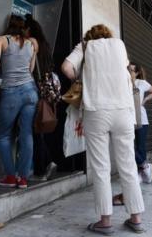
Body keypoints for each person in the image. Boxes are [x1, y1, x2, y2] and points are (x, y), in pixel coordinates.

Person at [61, 24, 145, 234]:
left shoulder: (85, 46)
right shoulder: (119, 45)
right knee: (128, 165)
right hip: (123, 111)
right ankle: (136, 218)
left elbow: (66, 68)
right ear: (108, 35)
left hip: (96, 110)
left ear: (90, 36)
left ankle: (105, 221)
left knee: (100, 167)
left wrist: (80, 78)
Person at [0, 15, 39, 189]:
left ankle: (11, 177)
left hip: (11, 92)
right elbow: (31, 69)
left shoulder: (2, 40)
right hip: (30, 91)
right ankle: (23, 178)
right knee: (26, 134)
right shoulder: (31, 43)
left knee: (3, 135)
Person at [24, 14, 59, 182]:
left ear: (29, 30)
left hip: (35, 88)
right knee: (39, 129)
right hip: (46, 90)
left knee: (35, 130)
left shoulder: (31, 43)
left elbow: (29, 67)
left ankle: (42, 166)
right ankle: (45, 163)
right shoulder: (45, 44)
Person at [128, 62, 152, 183]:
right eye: (127, 70)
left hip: (141, 119)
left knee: (140, 147)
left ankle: (142, 173)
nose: (129, 72)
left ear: (137, 72)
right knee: (128, 146)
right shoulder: (123, 83)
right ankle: (145, 167)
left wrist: (145, 99)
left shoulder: (142, 83)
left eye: (131, 70)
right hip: (127, 118)